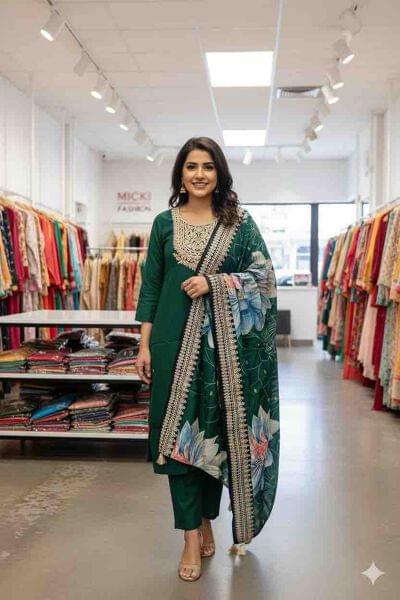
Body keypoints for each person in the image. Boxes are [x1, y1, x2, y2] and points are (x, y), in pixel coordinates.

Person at [135, 137, 280, 582]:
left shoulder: (239, 223)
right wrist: (143, 344)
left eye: (208, 167)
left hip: (223, 353)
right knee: (178, 443)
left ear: (220, 174)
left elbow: (264, 279)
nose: (200, 174)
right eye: (191, 166)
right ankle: (189, 537)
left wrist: (215, 284)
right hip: (170, 343)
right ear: (180, 173)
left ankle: (205, 518)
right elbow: (151, 287)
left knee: (213, 436)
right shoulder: (164, 223)